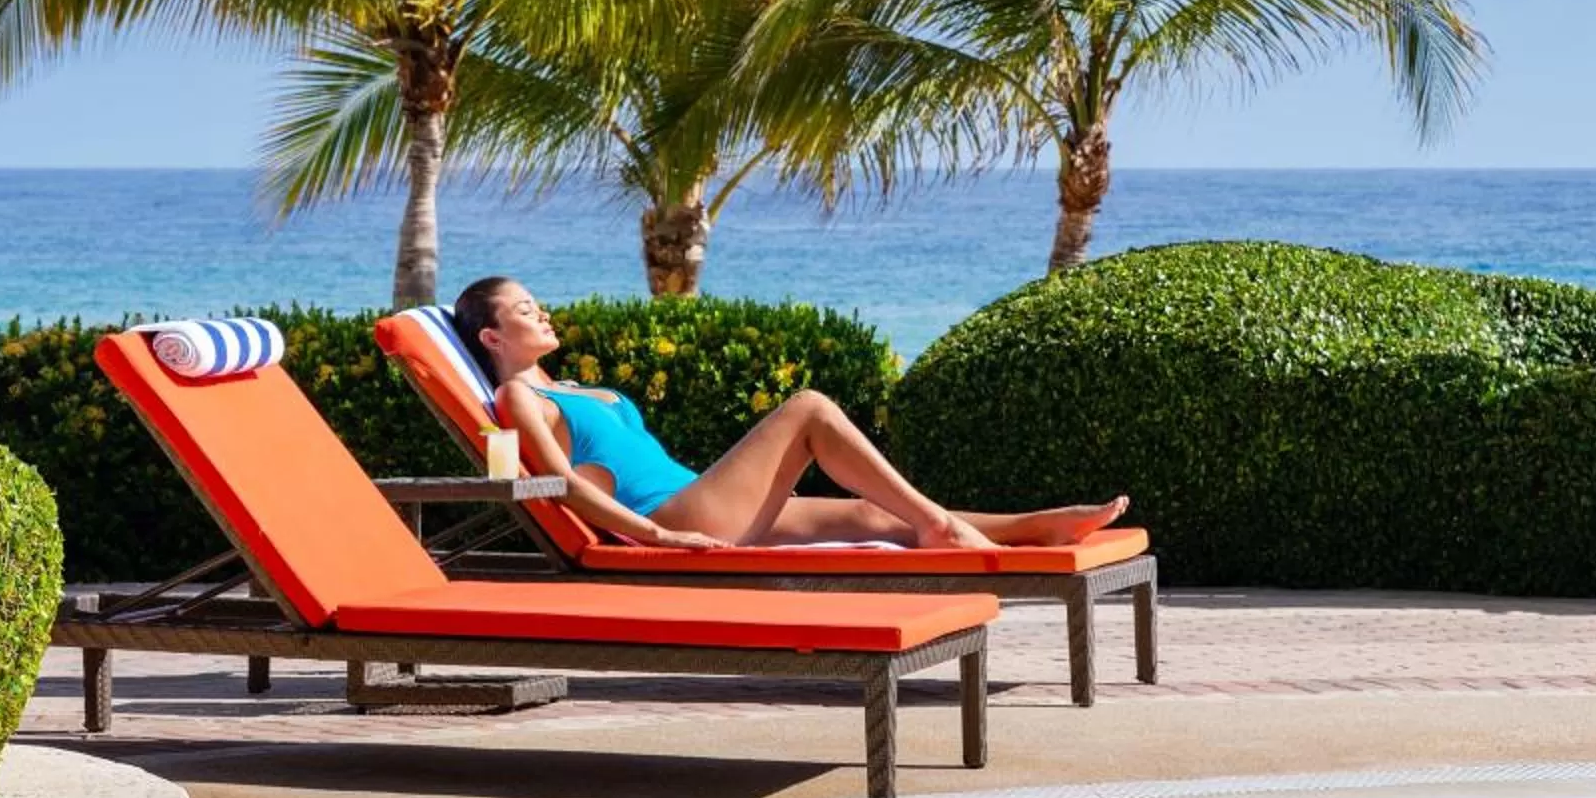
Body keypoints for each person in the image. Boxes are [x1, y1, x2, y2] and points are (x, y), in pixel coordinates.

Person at [450, 276, 1130, 554]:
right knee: (808, 409)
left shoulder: (571, 385)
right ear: (491, 337)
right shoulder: (519, 398)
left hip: (697, 499)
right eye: (524, 310)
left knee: (867, 516)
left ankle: (1038, 528)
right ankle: (941, 525)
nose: (542, 313)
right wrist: (659, 538)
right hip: (681, 517)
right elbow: (564, 485)